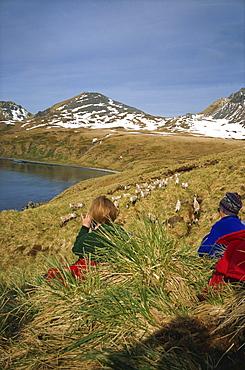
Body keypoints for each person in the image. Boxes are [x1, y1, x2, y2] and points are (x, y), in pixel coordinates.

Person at [45, 196, 129, 283]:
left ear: (92, 216)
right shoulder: (120, 231)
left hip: (91, 273)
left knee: (49, 275)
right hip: (114, 268)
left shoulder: (90, 238)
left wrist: (85, 227)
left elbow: (76, 249)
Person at [198, 192, 245, 258]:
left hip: (220, 263)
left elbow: (204, 249)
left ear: (221, 210)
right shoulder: (242, 226)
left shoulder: (220, 226)